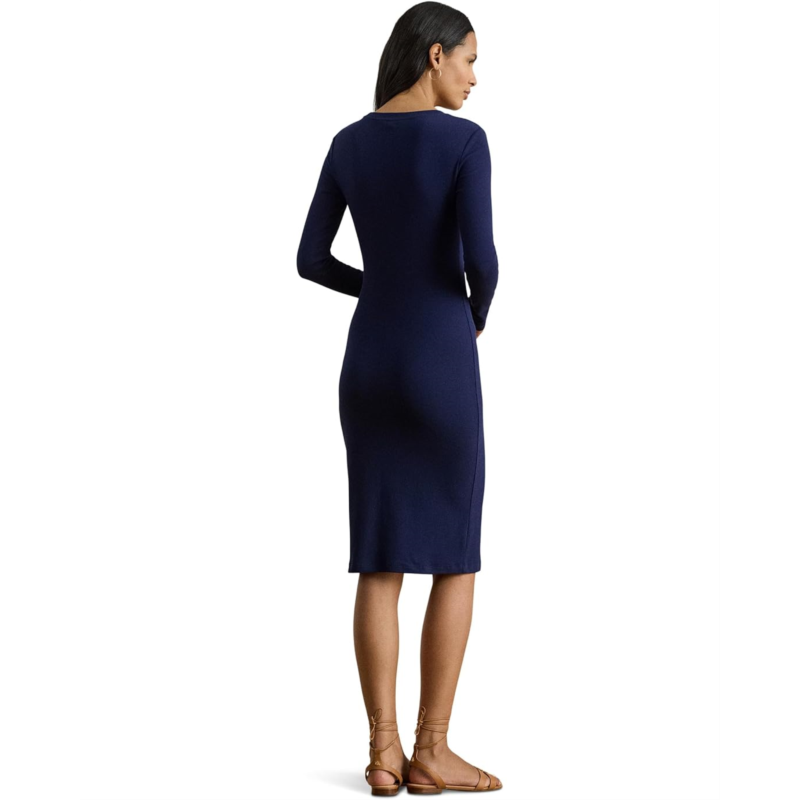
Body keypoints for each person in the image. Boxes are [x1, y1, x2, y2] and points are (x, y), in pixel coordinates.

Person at [296, 2, 501, 794]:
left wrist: (381, 287)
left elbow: (311, 259)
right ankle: (431, 750)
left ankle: (382, 753)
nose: (474, 78)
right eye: (470, 60)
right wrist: (471, 313)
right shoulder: (463, 143)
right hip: (439, 357)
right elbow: (484, 262)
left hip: (368, 363)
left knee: (379, 557)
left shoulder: (348, 142)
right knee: (454, 554)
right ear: (436, 55)